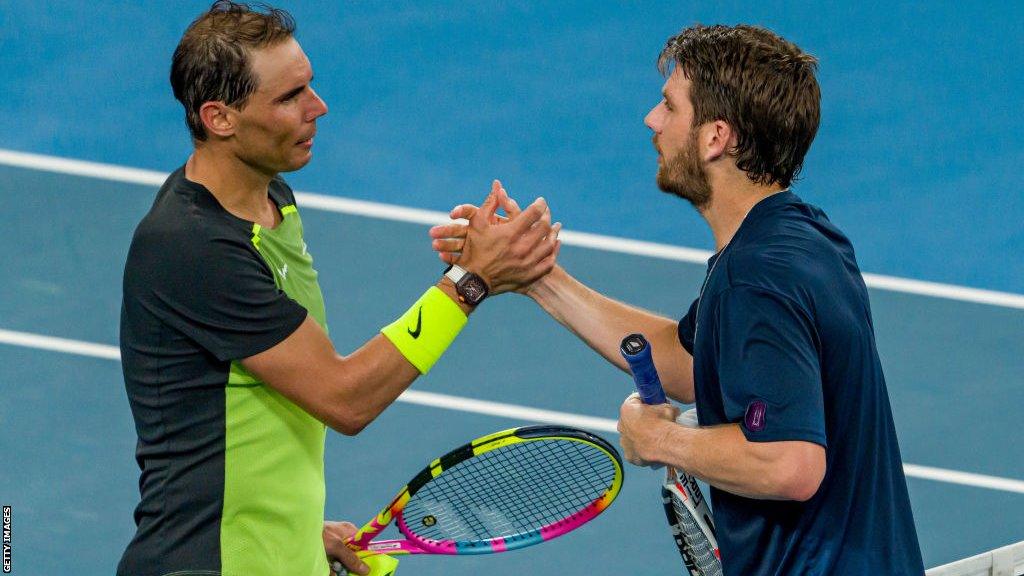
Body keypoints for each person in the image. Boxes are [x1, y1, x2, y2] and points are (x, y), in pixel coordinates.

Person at [431, 24, 924, 575]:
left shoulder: (753, 277)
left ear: (716, 137)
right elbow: (689, 363)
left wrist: (660, 439)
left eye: (669, 106)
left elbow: (790, 463)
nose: (652, 119)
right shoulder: (803, 237)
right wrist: (535, 277)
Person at [117, 2, 559, 575]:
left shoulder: (273, 201)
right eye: (288, 97)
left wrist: (300, 533)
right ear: (219, 117)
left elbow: (259, 413)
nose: (318, 108)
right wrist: (468, 282)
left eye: (310, 86)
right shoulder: (189, 248)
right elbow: (345, 398)